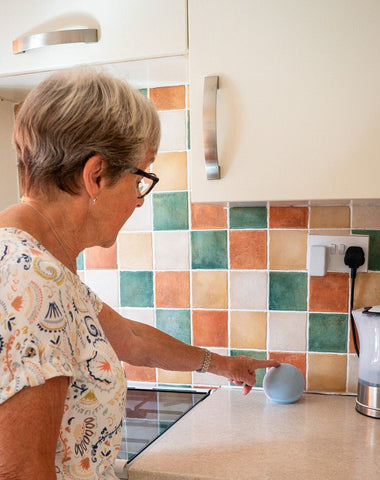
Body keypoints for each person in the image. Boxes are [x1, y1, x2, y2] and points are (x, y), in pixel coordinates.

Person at [0, 67, 279, 480]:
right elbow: (21, 470)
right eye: (141, 176)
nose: (139, 200)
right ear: (95, 176)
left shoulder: (38, 263)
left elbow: (130, 338)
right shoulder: (31, 278)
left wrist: (222, 364)